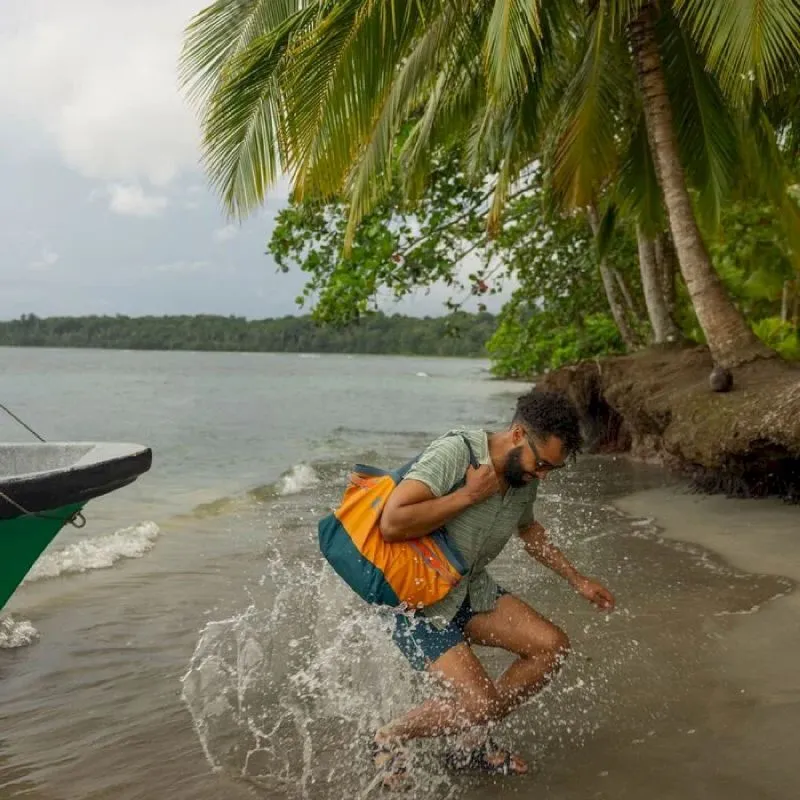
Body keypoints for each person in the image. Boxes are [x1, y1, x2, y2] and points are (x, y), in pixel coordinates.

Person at [371, 389, 615, 787]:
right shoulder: (457, 452)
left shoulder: (524, 473)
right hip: (416, 599)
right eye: (542, 465)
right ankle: (388, 737)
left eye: (552, 469)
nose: (543, 476)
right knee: (478, 702)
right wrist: (469, 495)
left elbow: (529, 529)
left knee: (550, 647)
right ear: (518, 433)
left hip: (467, 588)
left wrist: (577, 579)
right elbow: (393, 521)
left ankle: (470, 740)